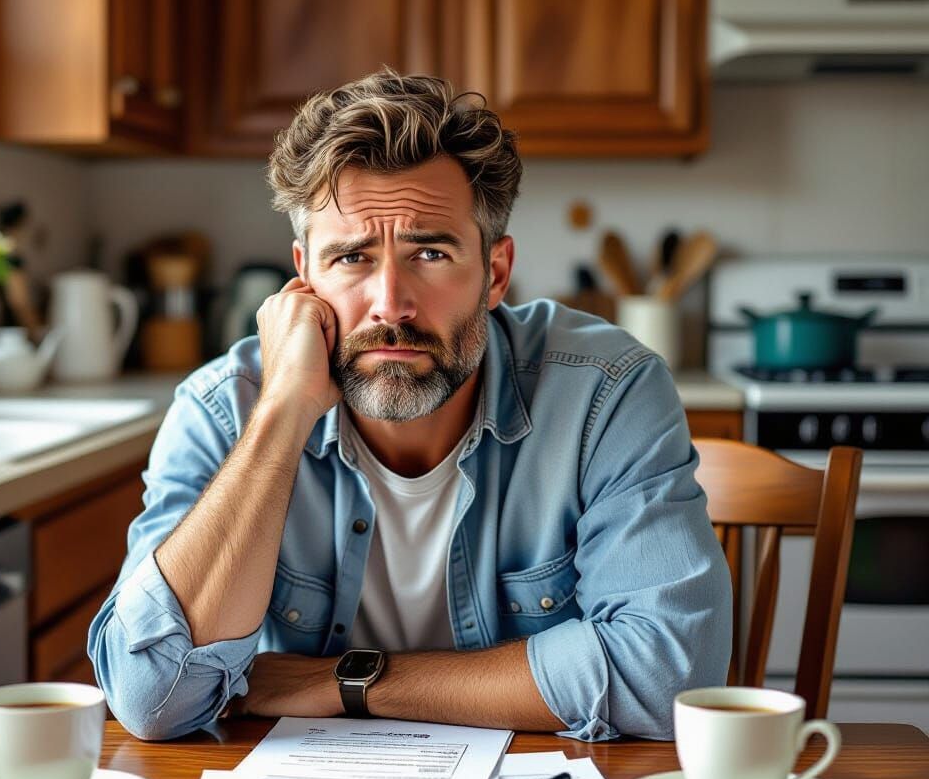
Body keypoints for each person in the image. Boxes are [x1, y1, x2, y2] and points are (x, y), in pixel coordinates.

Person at [88, 69, 731, 742]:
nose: (390, 304)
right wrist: (280, 414)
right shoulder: (225, 409)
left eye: (430, 252)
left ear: (495, 274)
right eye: (352, 259)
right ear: (304, 277)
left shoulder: (606, 393)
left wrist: (341, 682)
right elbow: (153, 698)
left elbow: (671, 677)